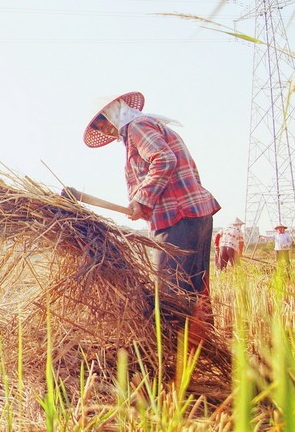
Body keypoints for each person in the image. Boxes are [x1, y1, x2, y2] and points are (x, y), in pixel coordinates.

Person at [82, 91, 221, 339]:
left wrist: (141, 198)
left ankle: (172, 354)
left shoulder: (137, 127)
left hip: (177, 216)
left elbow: (163, 159)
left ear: (113, 113)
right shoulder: (141, 129)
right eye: (98, 128)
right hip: (193, 213)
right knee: (195, 290)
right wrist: (142, 206)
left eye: (102, 123)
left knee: (171, 294)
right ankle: (201, 349)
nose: (103, 130)